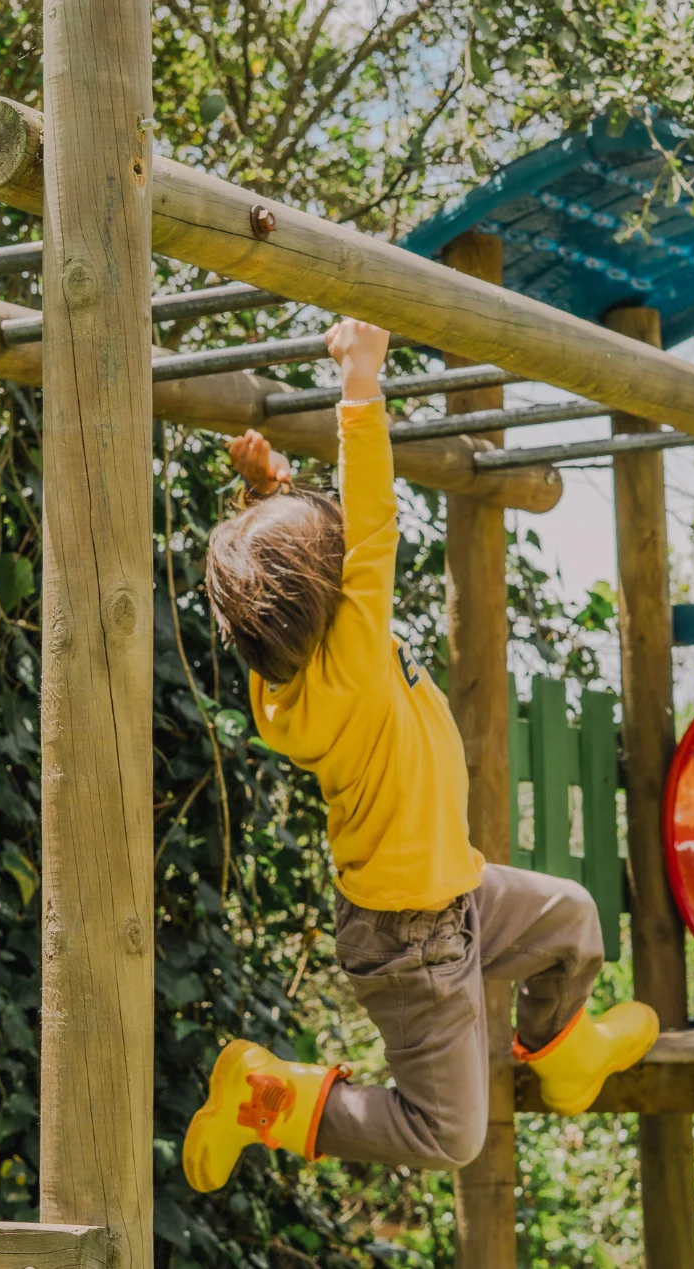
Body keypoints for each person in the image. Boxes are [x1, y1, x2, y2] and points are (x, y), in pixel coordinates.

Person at [182, 318, 658, 1193]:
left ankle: (564, 1048)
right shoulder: (356, 655)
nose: (340, 528)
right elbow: (372, 514)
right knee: (449, 1133)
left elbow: (273, 583)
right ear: (334, 592)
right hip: (412, 938)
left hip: (452, 890)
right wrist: (360, 379)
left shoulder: (286, 678)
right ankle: (273, 1099)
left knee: (572, 919)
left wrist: (261, 496)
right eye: (329, 543)